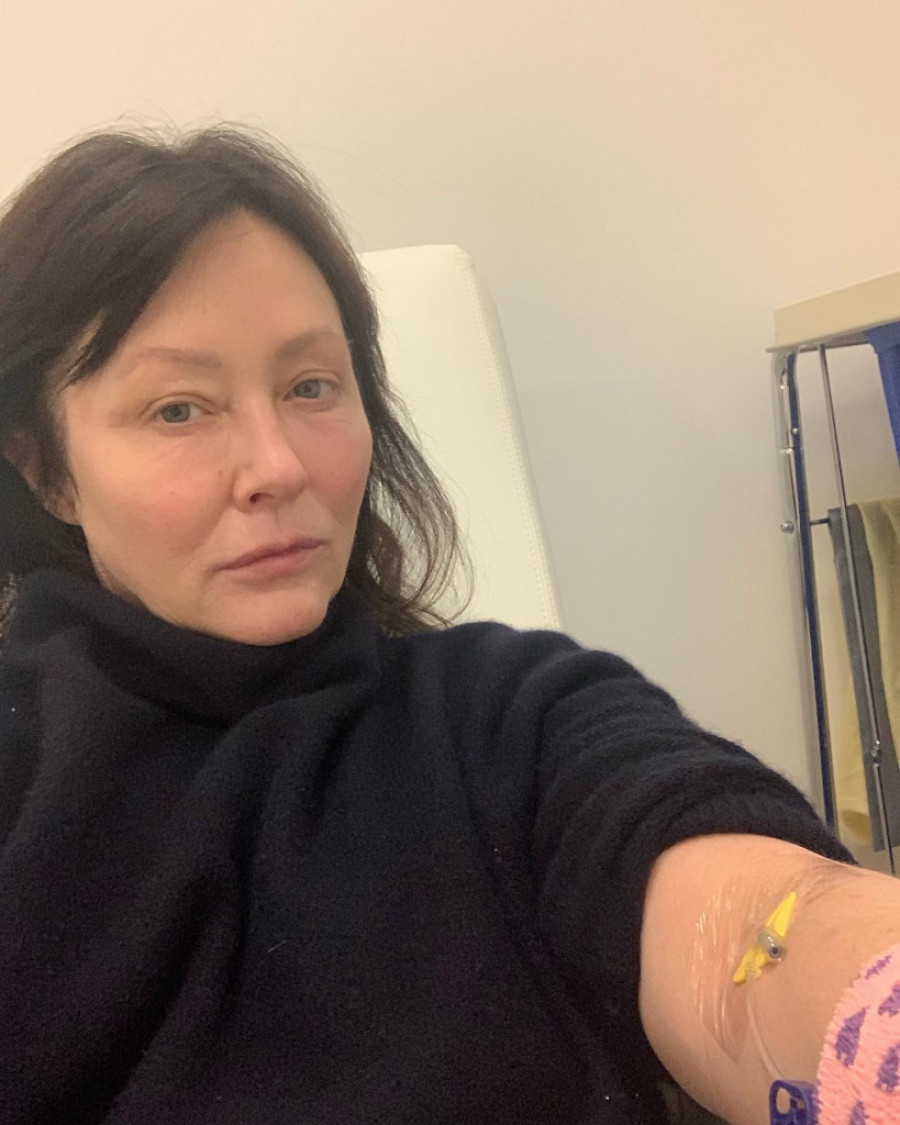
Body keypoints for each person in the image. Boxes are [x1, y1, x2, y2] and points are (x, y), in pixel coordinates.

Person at [0, 123, 897, 1125]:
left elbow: (751, 928)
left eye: (310, 386)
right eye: (178, 409)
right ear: (46, 468)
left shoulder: (512, 717)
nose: (279, 466)